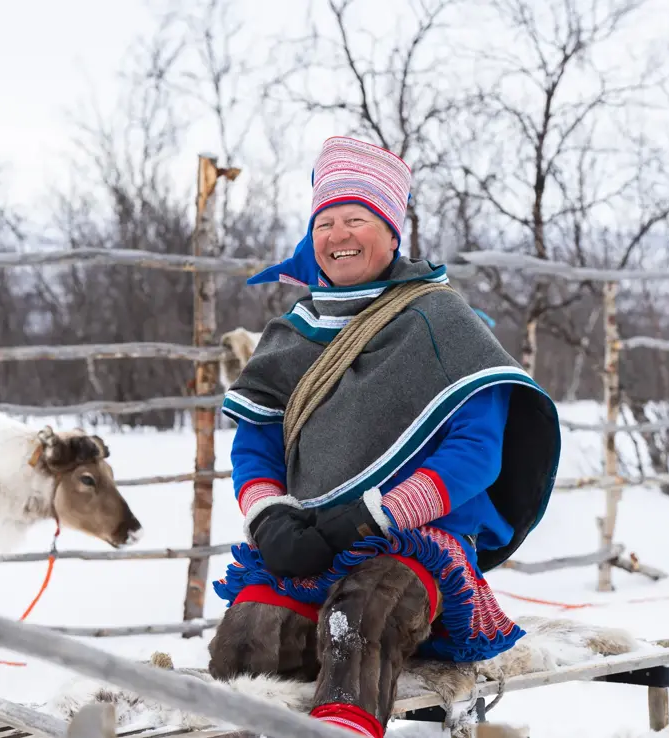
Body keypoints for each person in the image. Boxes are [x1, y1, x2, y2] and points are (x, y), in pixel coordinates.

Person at [207, 135, 562, 738]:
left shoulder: (448, 327)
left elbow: (475, 457)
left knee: (360, 618)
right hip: (310, 538)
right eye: (326, 222)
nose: (338, 234)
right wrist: (269, 519)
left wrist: (370, 518)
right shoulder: (291, 335)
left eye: (356, 219)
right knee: (245, 640)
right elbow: (256, 441)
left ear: (393, 233)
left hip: (414, 542)